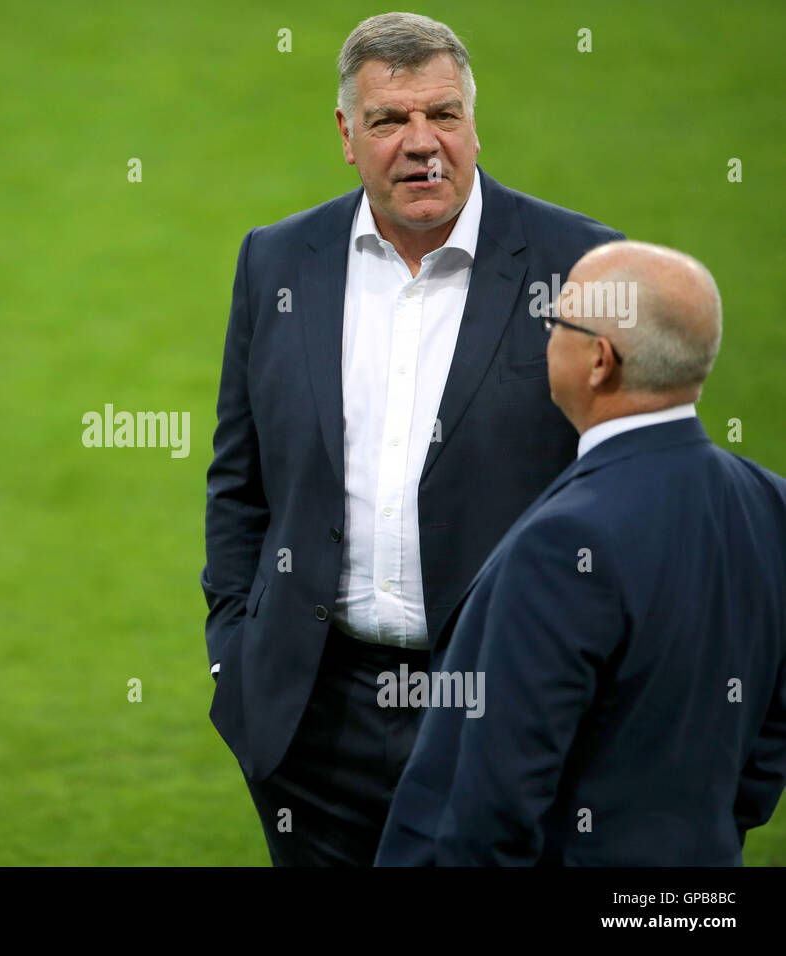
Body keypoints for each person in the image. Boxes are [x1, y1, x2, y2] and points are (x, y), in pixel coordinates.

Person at [202, 11, 624, 865]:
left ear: (475, 121)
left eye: (445, 115)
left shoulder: (582, 266)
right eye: (391, 120)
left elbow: (623, 496)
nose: (422, 143)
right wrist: (233, 653)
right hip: (313, 722)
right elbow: (239, 481)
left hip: (499, 705)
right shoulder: (278, 261)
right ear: (347, 135)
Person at [377, 241, 786, 865]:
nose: (546, 335)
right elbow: (769, 740)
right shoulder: (771, 505)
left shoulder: (564, 544)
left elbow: (497, 796)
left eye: (559, 321)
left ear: (599, 361)